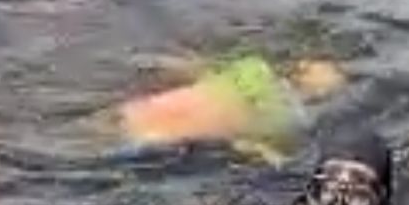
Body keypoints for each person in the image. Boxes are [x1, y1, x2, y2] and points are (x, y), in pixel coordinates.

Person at [111, 53, 346, 159]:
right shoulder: (256, 69)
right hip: (154, 123)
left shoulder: (290, 118)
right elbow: (202, 72)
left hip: (159, 130)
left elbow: (248, 145)